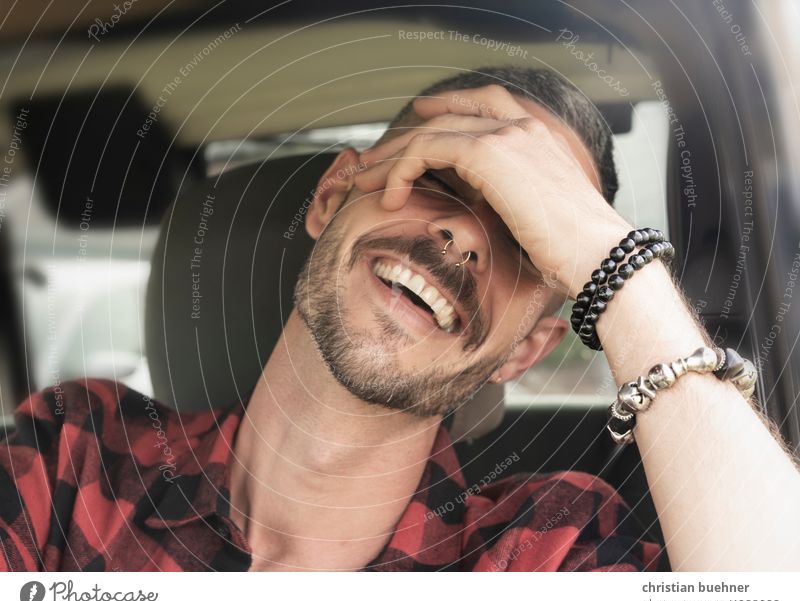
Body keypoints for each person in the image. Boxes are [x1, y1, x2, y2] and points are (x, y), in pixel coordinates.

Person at [2, 67, 799, 572]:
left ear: (526, 348)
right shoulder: (74, 456)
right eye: (444, 174)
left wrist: (612, 262)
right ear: (330, 195)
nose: (464, 234)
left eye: (527, 235)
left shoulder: (551, 551)